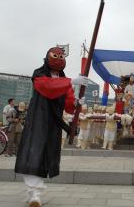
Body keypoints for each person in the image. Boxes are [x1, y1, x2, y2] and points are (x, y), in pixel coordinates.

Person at [14, 47, 88, 207]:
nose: (58, 58)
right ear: (47, 57)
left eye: (61, 56)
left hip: (53, 122)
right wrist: (71, 82)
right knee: (34, 153)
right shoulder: (39, 74)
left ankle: (36, 194)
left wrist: (76, 103)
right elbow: (47, 88)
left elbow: (68, 104)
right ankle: (34, 194)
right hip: (38, 119)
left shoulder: (65, 80)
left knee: (46, 154)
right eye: (55, 56)